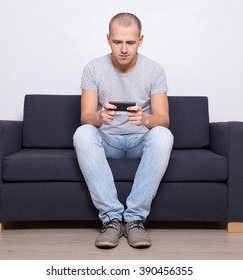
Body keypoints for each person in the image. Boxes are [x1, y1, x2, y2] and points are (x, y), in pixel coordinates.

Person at [73, 12, 173, 249]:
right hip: (108, 141)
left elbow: (164, 120)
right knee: (83, 133)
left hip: (140, 141)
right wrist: (98, 117)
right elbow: (85, 116)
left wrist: (146, 119)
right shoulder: (93, 68)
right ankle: (111, 219)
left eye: (130, 42)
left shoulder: (154, 70)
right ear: (108, 39)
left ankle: (135, 219)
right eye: (118, 42)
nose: (124, 49)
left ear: (141, 40)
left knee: (163, 135)